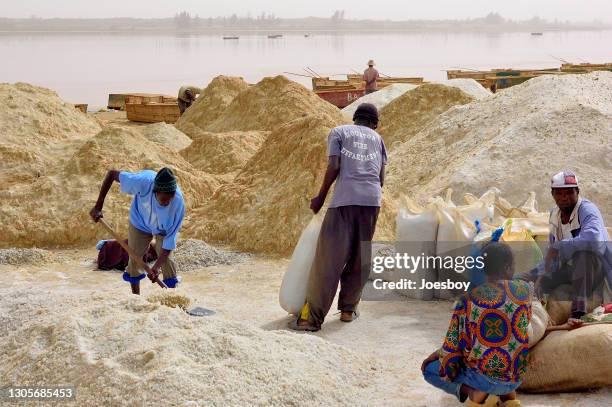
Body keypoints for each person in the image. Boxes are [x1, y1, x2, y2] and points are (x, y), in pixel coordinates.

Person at [288, 103, 387, 332]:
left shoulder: (339, 132)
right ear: (374, 123)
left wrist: (321, 197)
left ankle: (311, 319)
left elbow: (334, 165)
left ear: (355, 119)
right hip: (372, 201)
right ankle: (347, 310)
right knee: (359, 255)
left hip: (344, 200)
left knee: (329, 258)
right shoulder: (379, 139)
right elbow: (381, 178)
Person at [421, 243, 531, 407]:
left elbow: (454, 347)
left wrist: (436, 356)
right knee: (505, 348)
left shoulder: (468, 300)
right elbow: (521, 328)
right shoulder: (524, 291)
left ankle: (474, 393)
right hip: (516, 378)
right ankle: (509, 397)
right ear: (508, 267)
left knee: (430, 369)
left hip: (484, 379)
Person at [529, 171, 611, 321]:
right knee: (530, 277)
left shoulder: (587, 209)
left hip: (595, 269)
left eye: (569, 193)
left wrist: (560, 246)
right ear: (553, 195)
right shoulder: (554, 214)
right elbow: (552, 252)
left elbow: (593, 240)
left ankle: (578, 310)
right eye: (559, 193)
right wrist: (541, 275)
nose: (564, 198)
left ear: (577, 192)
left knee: (583, 254)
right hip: (569, 270)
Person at [90, 167, 185, 294]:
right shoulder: (142, 182)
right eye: (163, 200)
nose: (167, 202)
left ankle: (173, 300)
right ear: (155, 192)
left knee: (167, 261)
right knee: (135, 259)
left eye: (170, 198)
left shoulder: (178, 204)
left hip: (163, 229)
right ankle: (136, 298)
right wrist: (98, 207)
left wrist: (156, 268)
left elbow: (169, 242)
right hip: (140, 222)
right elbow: (112, 174)